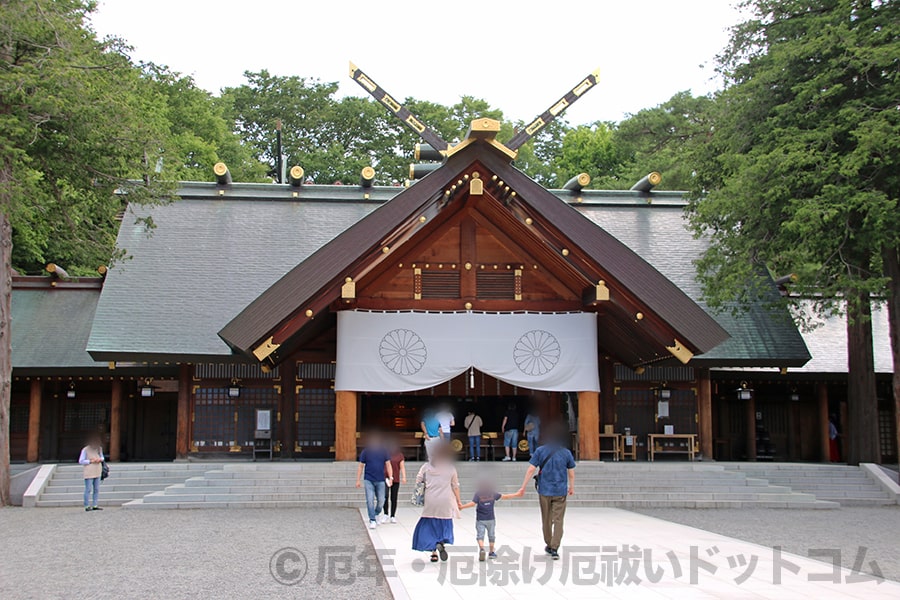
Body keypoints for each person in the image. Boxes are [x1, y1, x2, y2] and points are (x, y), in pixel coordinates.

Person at [517, 421, 575, 559]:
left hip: (544, 490)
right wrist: (571, 486)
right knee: (559, 520)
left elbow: (531, 469)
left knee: (546, 519)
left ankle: (549, 544)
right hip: (560, 490)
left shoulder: (540, 451)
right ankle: (555, 548)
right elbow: (571, 472)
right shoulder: (566, 453)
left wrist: (523, 486)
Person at [412, 442, 462, 563]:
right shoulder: (450, 468)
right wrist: (458, 501)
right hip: (446, 500)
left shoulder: (426, 467)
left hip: (431, 499)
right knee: (444, 523)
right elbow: (455, 486)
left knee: (429, 524)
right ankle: (441, 541)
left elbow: (418, 480)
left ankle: (434, 552)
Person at [460, 476, 523, 561]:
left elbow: (472, 503)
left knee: (480, 535)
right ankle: (491, 552)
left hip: (480, 519)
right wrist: (517, 494)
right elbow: (505, 497)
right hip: (491, 518)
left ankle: (482, 548)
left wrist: (462, 507)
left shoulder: (478, 494)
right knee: (491, 535)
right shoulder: (492, 493)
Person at [355, 432, 393, 529]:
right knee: (370, 500)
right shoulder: (366, 452)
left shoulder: (383, 451)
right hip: (369, 479)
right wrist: (358, 480)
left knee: (381, 500)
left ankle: (376, 513)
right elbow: (361, 466)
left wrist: (391, 477)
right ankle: (372, 519)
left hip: (380, 479)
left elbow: (388, 464)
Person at [78, 433, 104, 512]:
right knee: (88, 489)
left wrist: (100, 459)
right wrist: (90, 461)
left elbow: (102, 457)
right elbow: (81, 461)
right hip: (89, 470)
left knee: (96, 489)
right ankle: (86, 505)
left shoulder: (99, 449)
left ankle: (95, 504)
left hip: (97, 469)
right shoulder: (85, 449)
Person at [384, 439, 407, 523]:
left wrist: (404, 477)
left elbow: (402, 467)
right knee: (385, 496)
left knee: (394, 497)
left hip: (396, 478)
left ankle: (392, 515)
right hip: (385, 478)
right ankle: (385, 513)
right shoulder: (385, 454)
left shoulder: (399, 455)